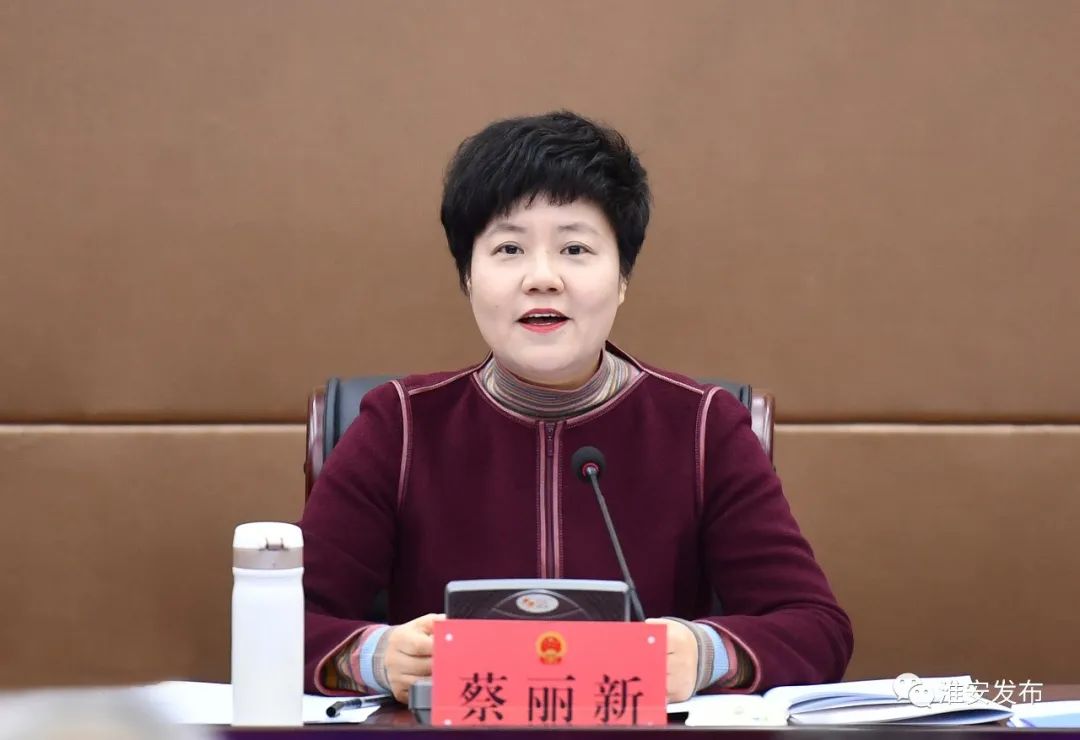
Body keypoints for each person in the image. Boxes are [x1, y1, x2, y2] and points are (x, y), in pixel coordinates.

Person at [300, 111, 853, 705]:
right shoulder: (401, 425)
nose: (542, 278)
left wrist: (703, 655)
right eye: (509, 248)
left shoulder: (702, 427)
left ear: (622, 278)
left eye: (575, 248)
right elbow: (284, 624)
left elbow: (816, 627)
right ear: (468, 278)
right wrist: (377, 657)